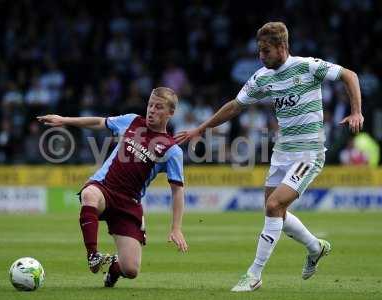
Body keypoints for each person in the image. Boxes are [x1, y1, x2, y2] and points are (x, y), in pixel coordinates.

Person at [175, 22, 363, 292]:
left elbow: (350, 75)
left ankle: (254, 274)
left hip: (309, 152)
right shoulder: (262, 77)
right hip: (282, 152)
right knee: (274, 210)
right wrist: (201, 128)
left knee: (274, 206)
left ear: (282, 47)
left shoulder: (308, 66)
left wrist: (356, 111)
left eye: (265, 51)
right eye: (259, 51)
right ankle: (315, 247)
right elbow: (235, 106)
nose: (261, 56)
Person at [37, 87, 188, 287]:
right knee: (89, 195)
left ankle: (114, 268)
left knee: (131, 269)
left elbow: (177, 190)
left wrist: (176, 228)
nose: (151, 110)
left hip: (128, 204)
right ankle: (93, 256)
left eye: (158, 107)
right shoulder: (133, 121)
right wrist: (64, 120)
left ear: (171, 113)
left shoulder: (172, 150)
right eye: (150, 105)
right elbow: (100, 122)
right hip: (104, 188)